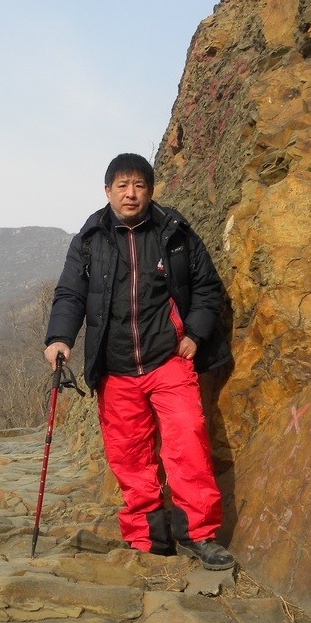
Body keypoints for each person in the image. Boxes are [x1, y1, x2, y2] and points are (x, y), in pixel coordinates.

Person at [44, 153, 235, 570]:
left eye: (140, 185)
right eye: (122, 186)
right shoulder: (90, 238)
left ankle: (199, 536)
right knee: (130, 458)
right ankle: (149, 539)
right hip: (114, 368)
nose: (131, 194)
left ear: (151, 189)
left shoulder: (175, 232)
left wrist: (195, 335)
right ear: (108, 190)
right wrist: (60, 338)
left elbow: (207, 287)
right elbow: (71, 293)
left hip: (167, 360)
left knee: (188, 446)